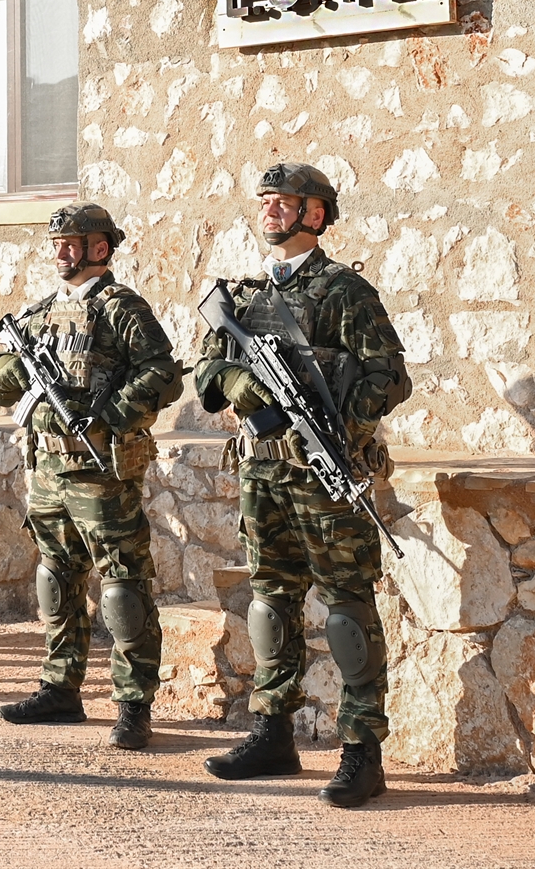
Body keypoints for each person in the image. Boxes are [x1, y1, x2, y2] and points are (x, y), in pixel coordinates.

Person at [195, 163, 408, 808]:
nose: (270, 211)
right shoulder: (244, 295)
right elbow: (206, 376)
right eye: (264, 202)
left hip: (323, 470)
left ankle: (361, 751)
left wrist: (340, 424)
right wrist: (240, 383)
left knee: (345, 607)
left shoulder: (344, 291)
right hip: (261, 468)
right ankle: (272, 731)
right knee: (269, 599)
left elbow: (389, 378)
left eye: (283, 202)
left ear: (316, 214)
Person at [0, 204, 183, 747]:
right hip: (46, 467)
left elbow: (162, 375)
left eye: (73, 242)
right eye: (57, 242)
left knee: (121, 586)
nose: (61, 250)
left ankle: (133, 704)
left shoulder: (122, 308)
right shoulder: (43, 312)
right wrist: (20, 367)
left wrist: (112, 413)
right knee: (56, 577)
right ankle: (60, 685)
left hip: (100, 472)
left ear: (101, 248)